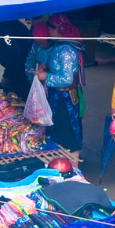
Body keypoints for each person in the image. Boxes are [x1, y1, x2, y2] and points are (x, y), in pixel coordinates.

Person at [26, 21, 84, 155]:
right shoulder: (59, 47)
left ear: (58, 30)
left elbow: (67, 79)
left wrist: (46, 76)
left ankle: (73, 166)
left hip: (66, 98)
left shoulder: (66, 51)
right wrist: (45, 69)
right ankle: (60, 161)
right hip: (56, 96)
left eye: (50, 30)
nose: (49, 32)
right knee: (57, 129)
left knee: (68, 131)